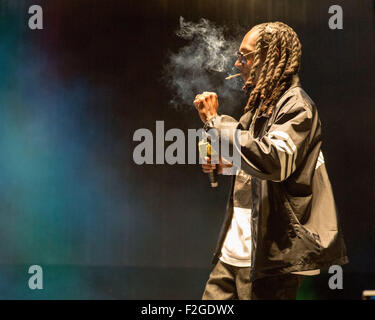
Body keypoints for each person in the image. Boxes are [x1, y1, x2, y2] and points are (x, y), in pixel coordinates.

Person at [193, 21, 348, 300]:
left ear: (271, 57)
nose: (239, 64)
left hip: (271, 261)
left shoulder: (297, 105)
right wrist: (223, 165)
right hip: (232, 255)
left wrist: (216, 123)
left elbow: (274, 162)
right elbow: (252, 164)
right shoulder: (257, 108)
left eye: (246, 56)